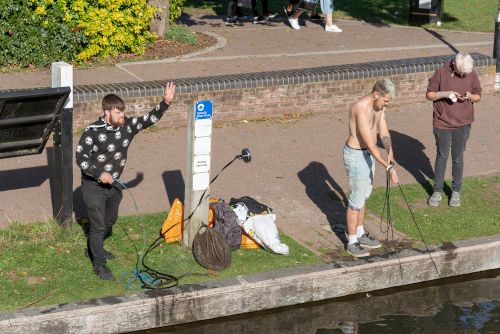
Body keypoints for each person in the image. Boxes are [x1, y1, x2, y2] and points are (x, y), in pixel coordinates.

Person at [76, 82, 176, 280]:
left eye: (123, 112)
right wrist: (98, 173)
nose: (122, 115)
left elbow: (148, 119)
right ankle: (99, 264)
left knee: (109, 221)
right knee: (97, 226)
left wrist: (165, 102)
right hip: (92, 185)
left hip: (114, 185)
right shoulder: (92, 131)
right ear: (107, 113)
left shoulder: (127, 126)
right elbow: (81, 158)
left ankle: (92, 249)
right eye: (118, 113)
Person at [343, 79, 399, 258]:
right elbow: (370, 144)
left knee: (364, 196)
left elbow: (383, 132)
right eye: (385, 100)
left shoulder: (379, 107)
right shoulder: (360, 109)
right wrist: (388, 167)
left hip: (367, 155)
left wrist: (390, 152)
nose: (386, 104)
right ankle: (352, 241)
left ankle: (360, 232)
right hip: (356, 155)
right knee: (355, 201)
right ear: (376, 95)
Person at [426, 52, 481, 207]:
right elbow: (429, 95)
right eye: (462, 72)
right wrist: (446, 94)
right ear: (455, 65)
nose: (464, 75)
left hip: (463, 124)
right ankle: (437, 191)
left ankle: (456, 191)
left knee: (458, 158)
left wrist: (470, 96)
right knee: (442, 156)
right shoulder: (441, 73)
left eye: (466, 73)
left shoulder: (471, 74)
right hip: (442, 123)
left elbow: (478, 96)